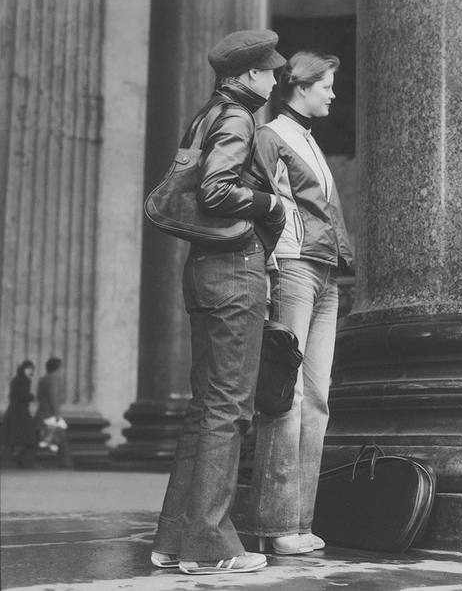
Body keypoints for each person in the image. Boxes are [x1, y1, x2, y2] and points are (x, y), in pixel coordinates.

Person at [150, 29, 287, 576]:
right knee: (230, 409)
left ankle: (174, 539)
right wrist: (271, 202)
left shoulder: (207, 114)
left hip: (205, 272)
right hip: (234, 271)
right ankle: (209, 545)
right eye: (270, 71)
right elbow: (215, 190)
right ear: (248, 76)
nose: (276, 79)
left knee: (205, 408)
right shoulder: (236, 119)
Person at [247, 50, 353, 555]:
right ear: (303, 85)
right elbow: (255, 206)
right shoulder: (270, 136)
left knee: (316, 400)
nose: (333, 94)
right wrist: (267, 271)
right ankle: (274, 523)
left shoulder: (305, 137)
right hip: (291, 267)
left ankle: (297, 521)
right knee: (285, 398)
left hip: (324, 271)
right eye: (327, 85)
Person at [34, 357, 73, 469]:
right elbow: (54, 396)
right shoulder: (55, 379)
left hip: (42, 412)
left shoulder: (43, 379)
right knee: (61, 438)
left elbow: (40, 396)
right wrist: (57, 414)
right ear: (57, 368)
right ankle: (66, 462)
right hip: (50, 413)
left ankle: (65, 462)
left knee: (40, 436)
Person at [1, 361, 39, 468]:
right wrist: (31, 397)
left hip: (14, 411)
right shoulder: (25, 380)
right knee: (29, 436)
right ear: (25, 369)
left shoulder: (17, 379)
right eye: (30, 369)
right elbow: (22, 395)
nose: (31, 371)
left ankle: (7, 461)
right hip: (21, 412)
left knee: (11, 438)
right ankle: (25, 461)